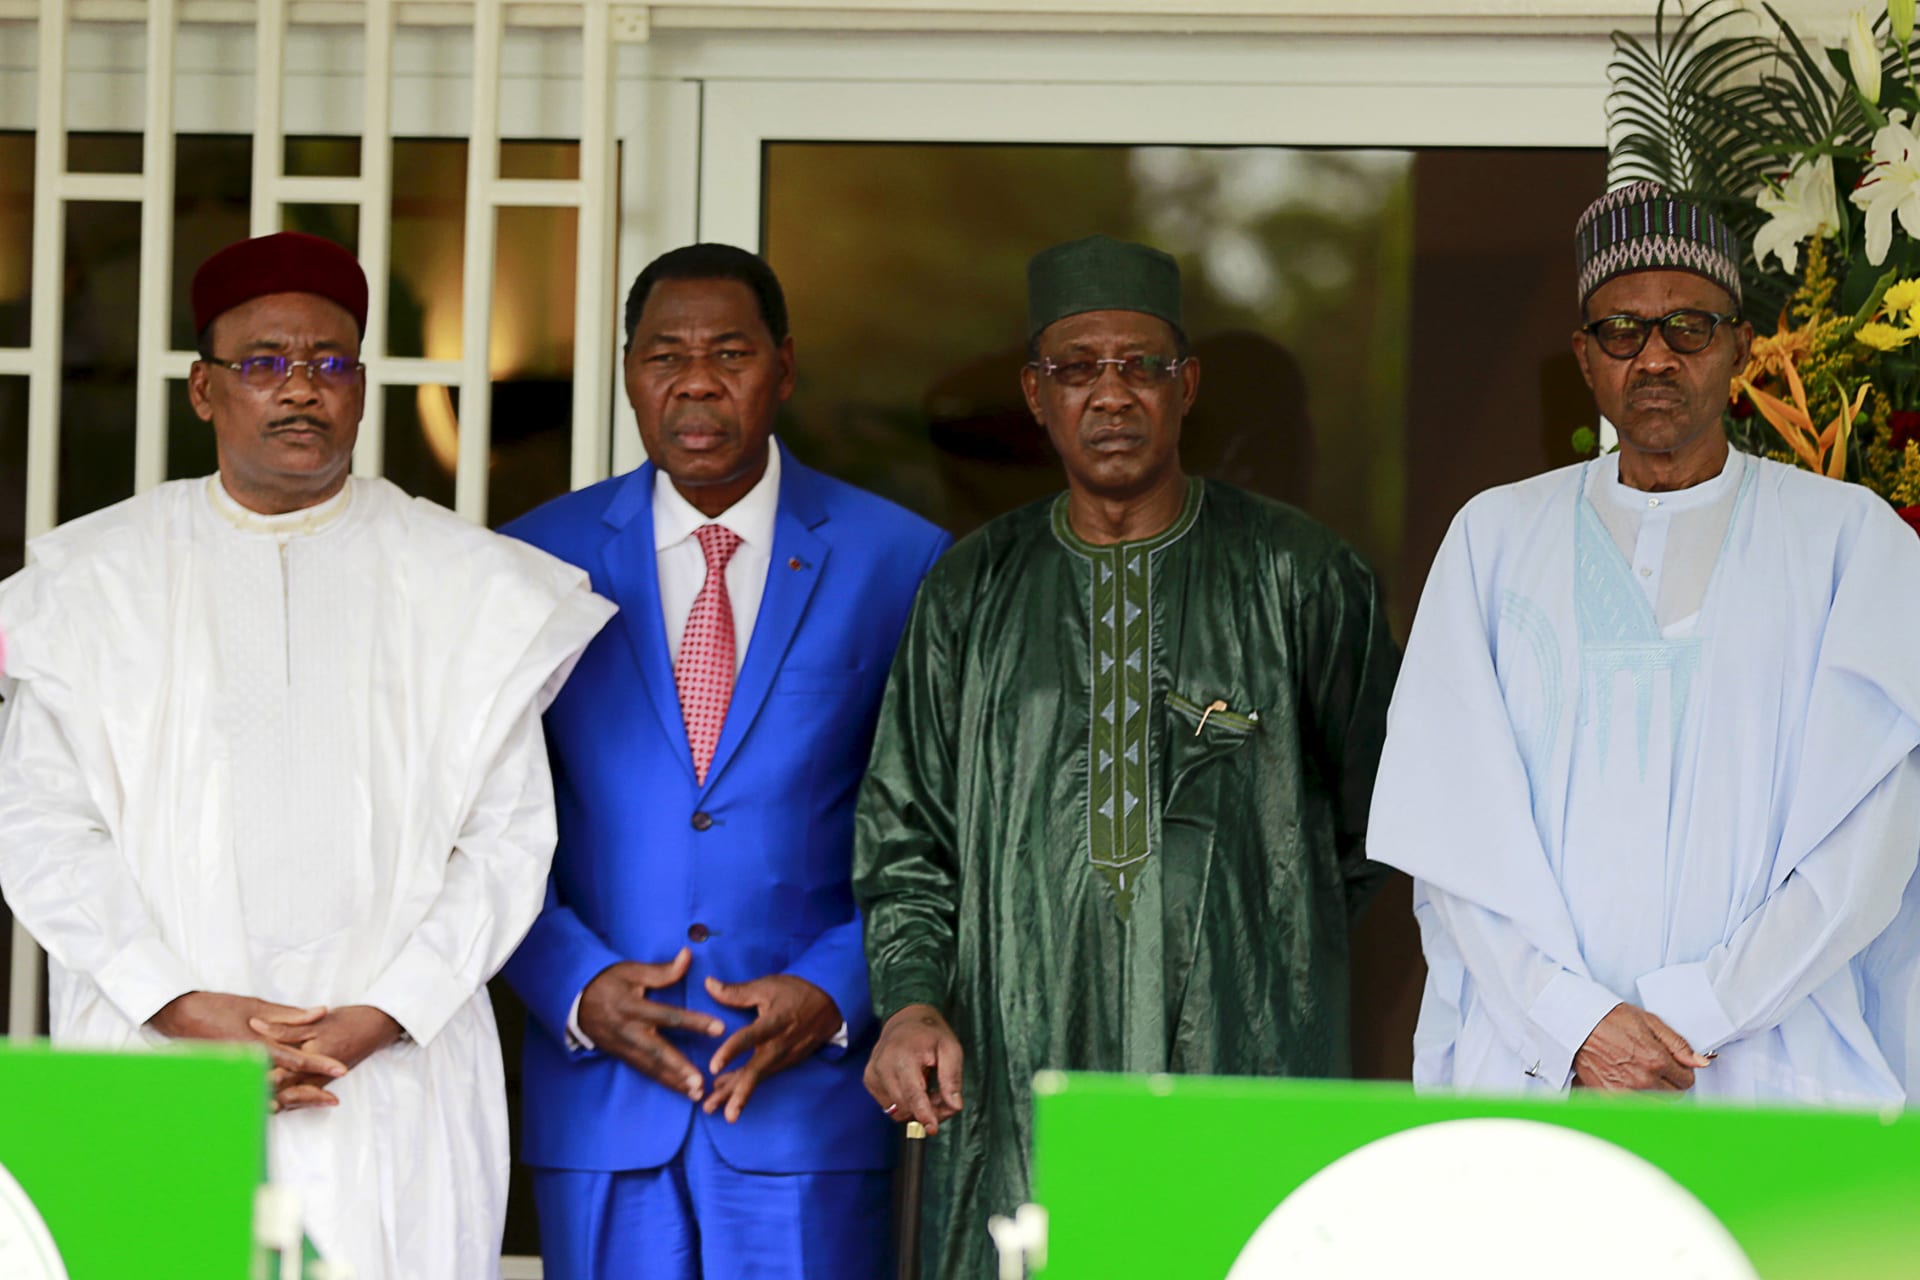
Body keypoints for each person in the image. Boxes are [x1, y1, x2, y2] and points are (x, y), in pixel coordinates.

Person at [0, 231, 615, 1278]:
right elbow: (42, 830)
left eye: (330, 362)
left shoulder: (465, 584)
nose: (301, 389)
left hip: (386, 1078)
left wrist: (380, 1016)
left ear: (364, 387)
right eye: (265, 362)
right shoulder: (89, 582)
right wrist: (181, 1004)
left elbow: (510, 842)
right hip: (153, 1061)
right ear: (203, 390)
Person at [855, 234, 1398, 1280]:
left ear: (1186, 385)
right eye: (1078, 367)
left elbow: (1380, 827)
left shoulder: (1303, 576)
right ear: (1036, 392)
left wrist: (1269, 960)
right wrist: (916, 995)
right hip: (1017, 1057)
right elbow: (907, 834)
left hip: (1247, 1061)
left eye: (1140, 364)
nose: (1111, 392)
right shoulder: (970, 593)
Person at [1368, 182, 1920, 1102]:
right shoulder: (1495, 541)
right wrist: (1575, 1022)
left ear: (1741, 346)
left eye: (1689, 328)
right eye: (1622, 331)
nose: (1655, 356)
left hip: (1772, 1070)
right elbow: (1452, 832)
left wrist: (1697, 1015)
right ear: (1585, 359)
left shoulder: (1850, 544)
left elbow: (1871, 841)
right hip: (1541, 1066)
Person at [500, 243, 950, 1280]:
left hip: (810, 1107)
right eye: (666, 355)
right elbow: (470, 819)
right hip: (603, 1095)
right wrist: (571, 984)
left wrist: (840, 990)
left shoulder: (901, 559)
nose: (696, 380)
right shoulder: (528, 563)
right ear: (627, 373)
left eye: (730, 352)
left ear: (784, 369)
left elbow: (941, 819)